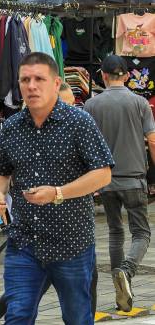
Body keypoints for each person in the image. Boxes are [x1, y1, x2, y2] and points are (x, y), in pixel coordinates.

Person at [0, 52, 113, 325]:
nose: (31, 86)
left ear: (56, 83)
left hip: (71, 243)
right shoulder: (11, 127)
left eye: (39, 79)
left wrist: (58, 193)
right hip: (24, 242)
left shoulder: (79, 123)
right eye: (25, 80)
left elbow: (103, 174)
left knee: (77, 318)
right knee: (17, 315)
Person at [83, 54, 155, 312]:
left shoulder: (91, 105)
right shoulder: (140, 103)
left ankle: (120, 290)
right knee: (142, 232)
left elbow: (86, 146)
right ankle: (127, 270)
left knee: (115, 232)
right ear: (126, 75)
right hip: (134, 178)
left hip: (105, 180)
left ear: (102, 75)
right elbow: (153, 139)